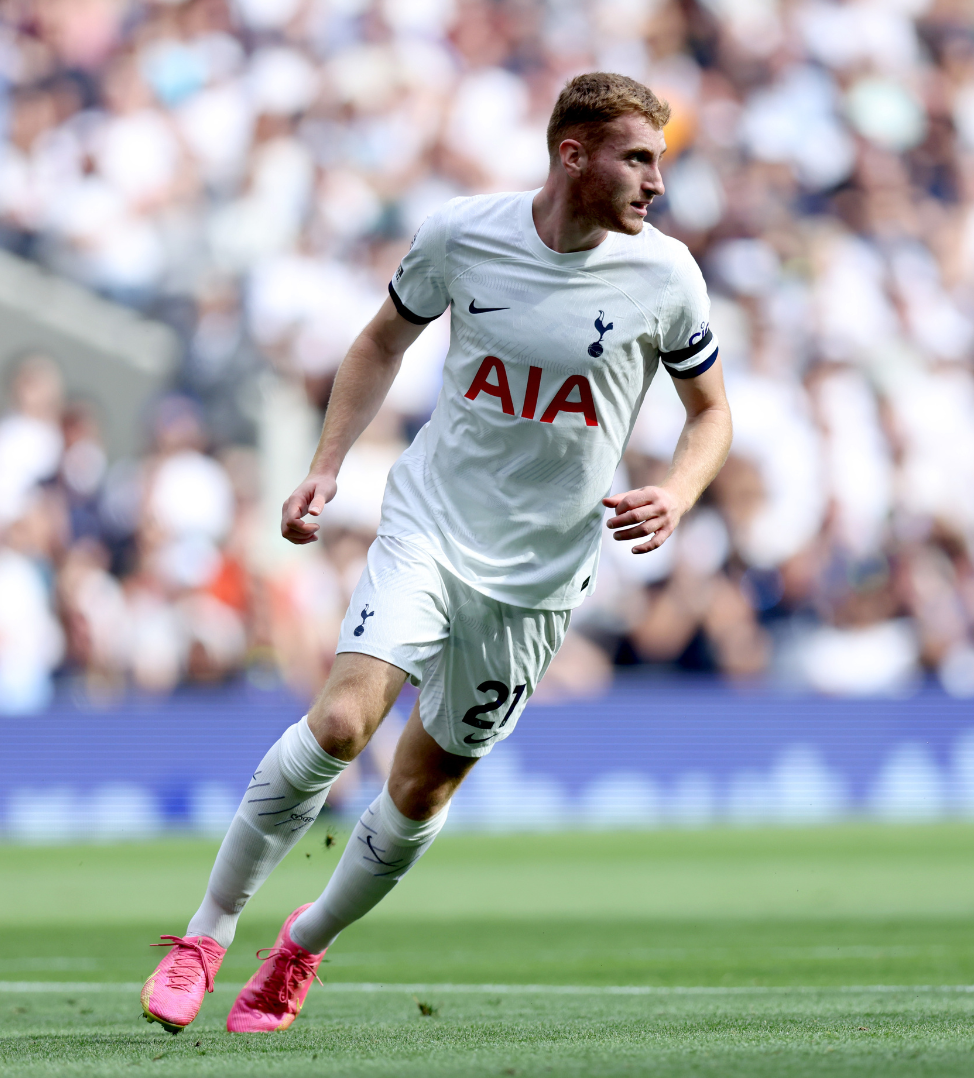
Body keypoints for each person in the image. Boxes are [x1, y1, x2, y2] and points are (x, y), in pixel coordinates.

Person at [139, 72, 733, 1035]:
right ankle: (205, 934)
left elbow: (712, 415)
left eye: (659, 161)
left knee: (420, 787)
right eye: (638, 157)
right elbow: (381, 342)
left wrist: (677, 489)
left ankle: (302, 946)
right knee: (339, 726)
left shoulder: (667, 278)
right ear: (572, 155)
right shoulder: (464, 232)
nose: (657, 182)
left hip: (538, 577)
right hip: (430, 528)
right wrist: (327, 466)